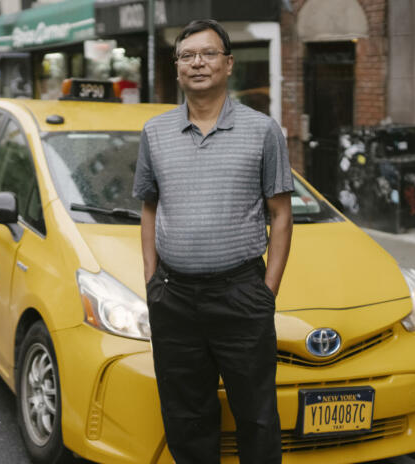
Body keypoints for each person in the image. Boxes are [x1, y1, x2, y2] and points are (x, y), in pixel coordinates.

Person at [133, 19, 293, 464]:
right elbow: (149, 208)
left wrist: (266, 294)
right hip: (174, 298)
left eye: (207, 54)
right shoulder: (155, 132)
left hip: (241, 295)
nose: (197, 63)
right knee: (186, 417)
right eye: (187, 55)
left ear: (228, 64)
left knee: (257, 417)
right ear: (178, 67)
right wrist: (152, 284)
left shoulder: (263, 131)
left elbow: (281, 214)